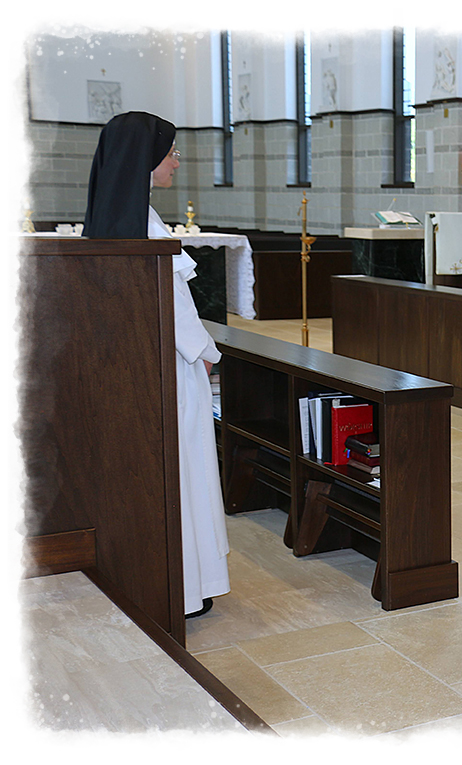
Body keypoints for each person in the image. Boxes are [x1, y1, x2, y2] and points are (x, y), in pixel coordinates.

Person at [83, 111, 229, 619]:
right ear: (145, 159)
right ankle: (187, 584)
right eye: (170, 151)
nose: (176, 160)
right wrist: (208, 353)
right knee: (183, 468)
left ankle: (179, 577)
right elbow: (174, 307)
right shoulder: (144, 223)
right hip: (170, 369)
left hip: (141, 366)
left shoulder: (114, 215)